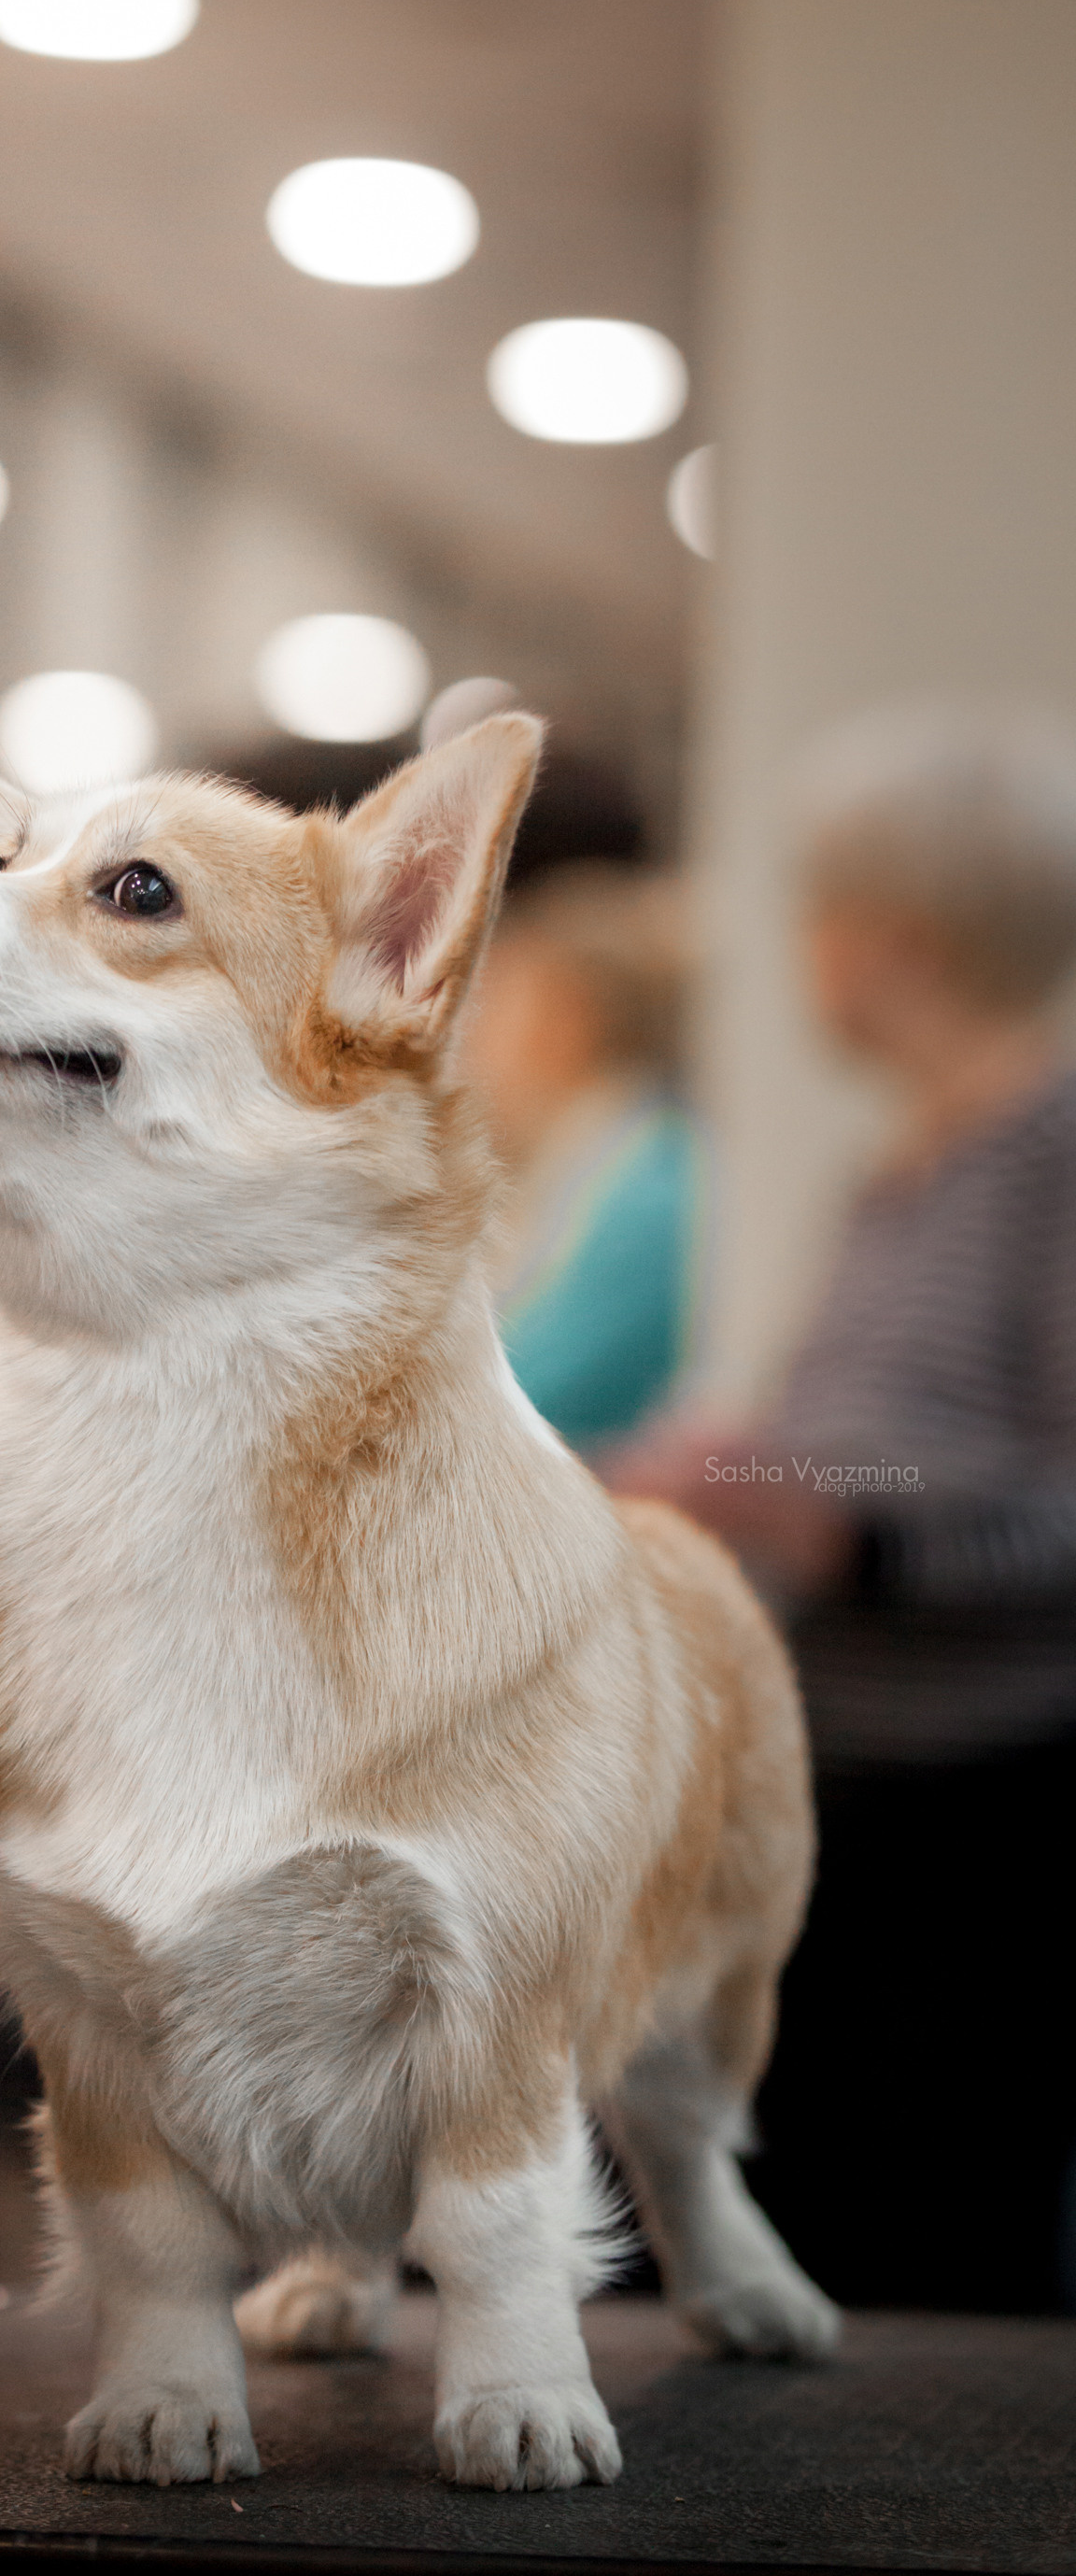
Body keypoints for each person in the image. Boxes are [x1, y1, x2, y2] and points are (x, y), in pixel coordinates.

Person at [616, 704, 1076, 2314]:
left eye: (818, 911)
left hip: (992, 1816)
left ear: (898, 936)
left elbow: (1039, 1494)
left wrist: (841, 1517)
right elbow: (865, 1445)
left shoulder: (1056, 1149)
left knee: (934, 2264)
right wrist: (743, 1470)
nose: (801, 950)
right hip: (856, 1779)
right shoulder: (906, 1169)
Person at [463, 865, 701, 1457]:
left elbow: (526, 1394)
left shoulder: (648, 1188)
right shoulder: (594, 1162)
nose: (467, 1047)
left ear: (565, 1021)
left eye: (494, 1012)